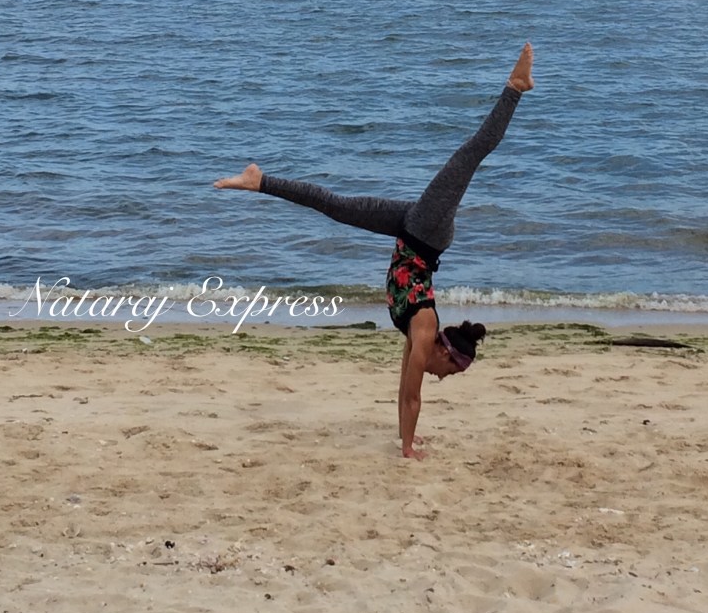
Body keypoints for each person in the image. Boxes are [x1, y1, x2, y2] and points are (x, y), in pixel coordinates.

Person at [214, 42, 534, 459]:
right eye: (449, 371)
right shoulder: (424, 328)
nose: (442, 378)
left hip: (409, 231)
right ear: (444, 351)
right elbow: (413, 397)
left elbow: (404, 389)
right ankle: (515, 87)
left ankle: (260, 181)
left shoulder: (418, 334)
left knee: (336, 207)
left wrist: (407, 439)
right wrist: (407, 450)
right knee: (471, 155)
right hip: (427, 230)